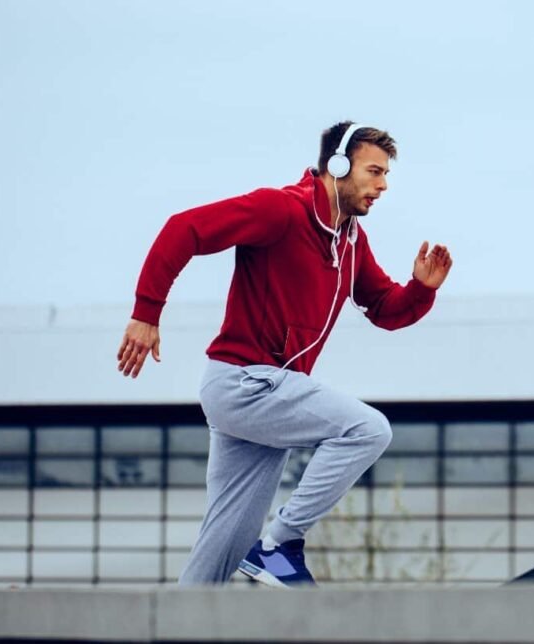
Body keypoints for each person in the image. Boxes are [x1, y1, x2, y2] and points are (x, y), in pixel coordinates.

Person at [116, 122, 452, 586]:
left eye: (386, 174)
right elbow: (185, 228)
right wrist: (146, 312)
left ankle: (180, 627)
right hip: (246, 382)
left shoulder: (350, 241)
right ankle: (281, 543)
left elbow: (382, 307)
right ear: (337, 165)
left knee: (223, 547)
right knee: (367, 430)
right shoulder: (282, 210)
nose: (383, 185)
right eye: (374, 171)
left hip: (262, 396)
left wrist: (421, 289)